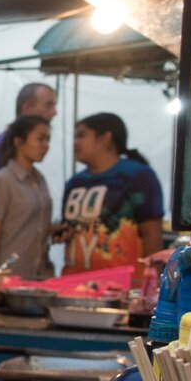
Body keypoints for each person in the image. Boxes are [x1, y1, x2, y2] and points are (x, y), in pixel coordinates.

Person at [61, 112, 164, 274]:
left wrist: (151, 279)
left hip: (122, 287)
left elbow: (151, 232)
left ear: (105, 138)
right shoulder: (75, 182)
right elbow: (68, 231)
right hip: (74, 283)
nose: (75, 143)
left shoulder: (137, 175)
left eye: (81, 136)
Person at [0, 82, 57, 261]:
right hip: (0, 262)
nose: (54, 112)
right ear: (27, 108)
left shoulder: (37, 178)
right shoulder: (2, 154)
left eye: (47, 139)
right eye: (48, 105)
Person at [0, 115, 53, 279]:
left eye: (48, 140)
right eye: (40, 139)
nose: (46, 146)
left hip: (38, 276)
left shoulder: (40, 180)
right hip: (10, 275)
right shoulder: (2, 180)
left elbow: (35, 222)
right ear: (19, 142)